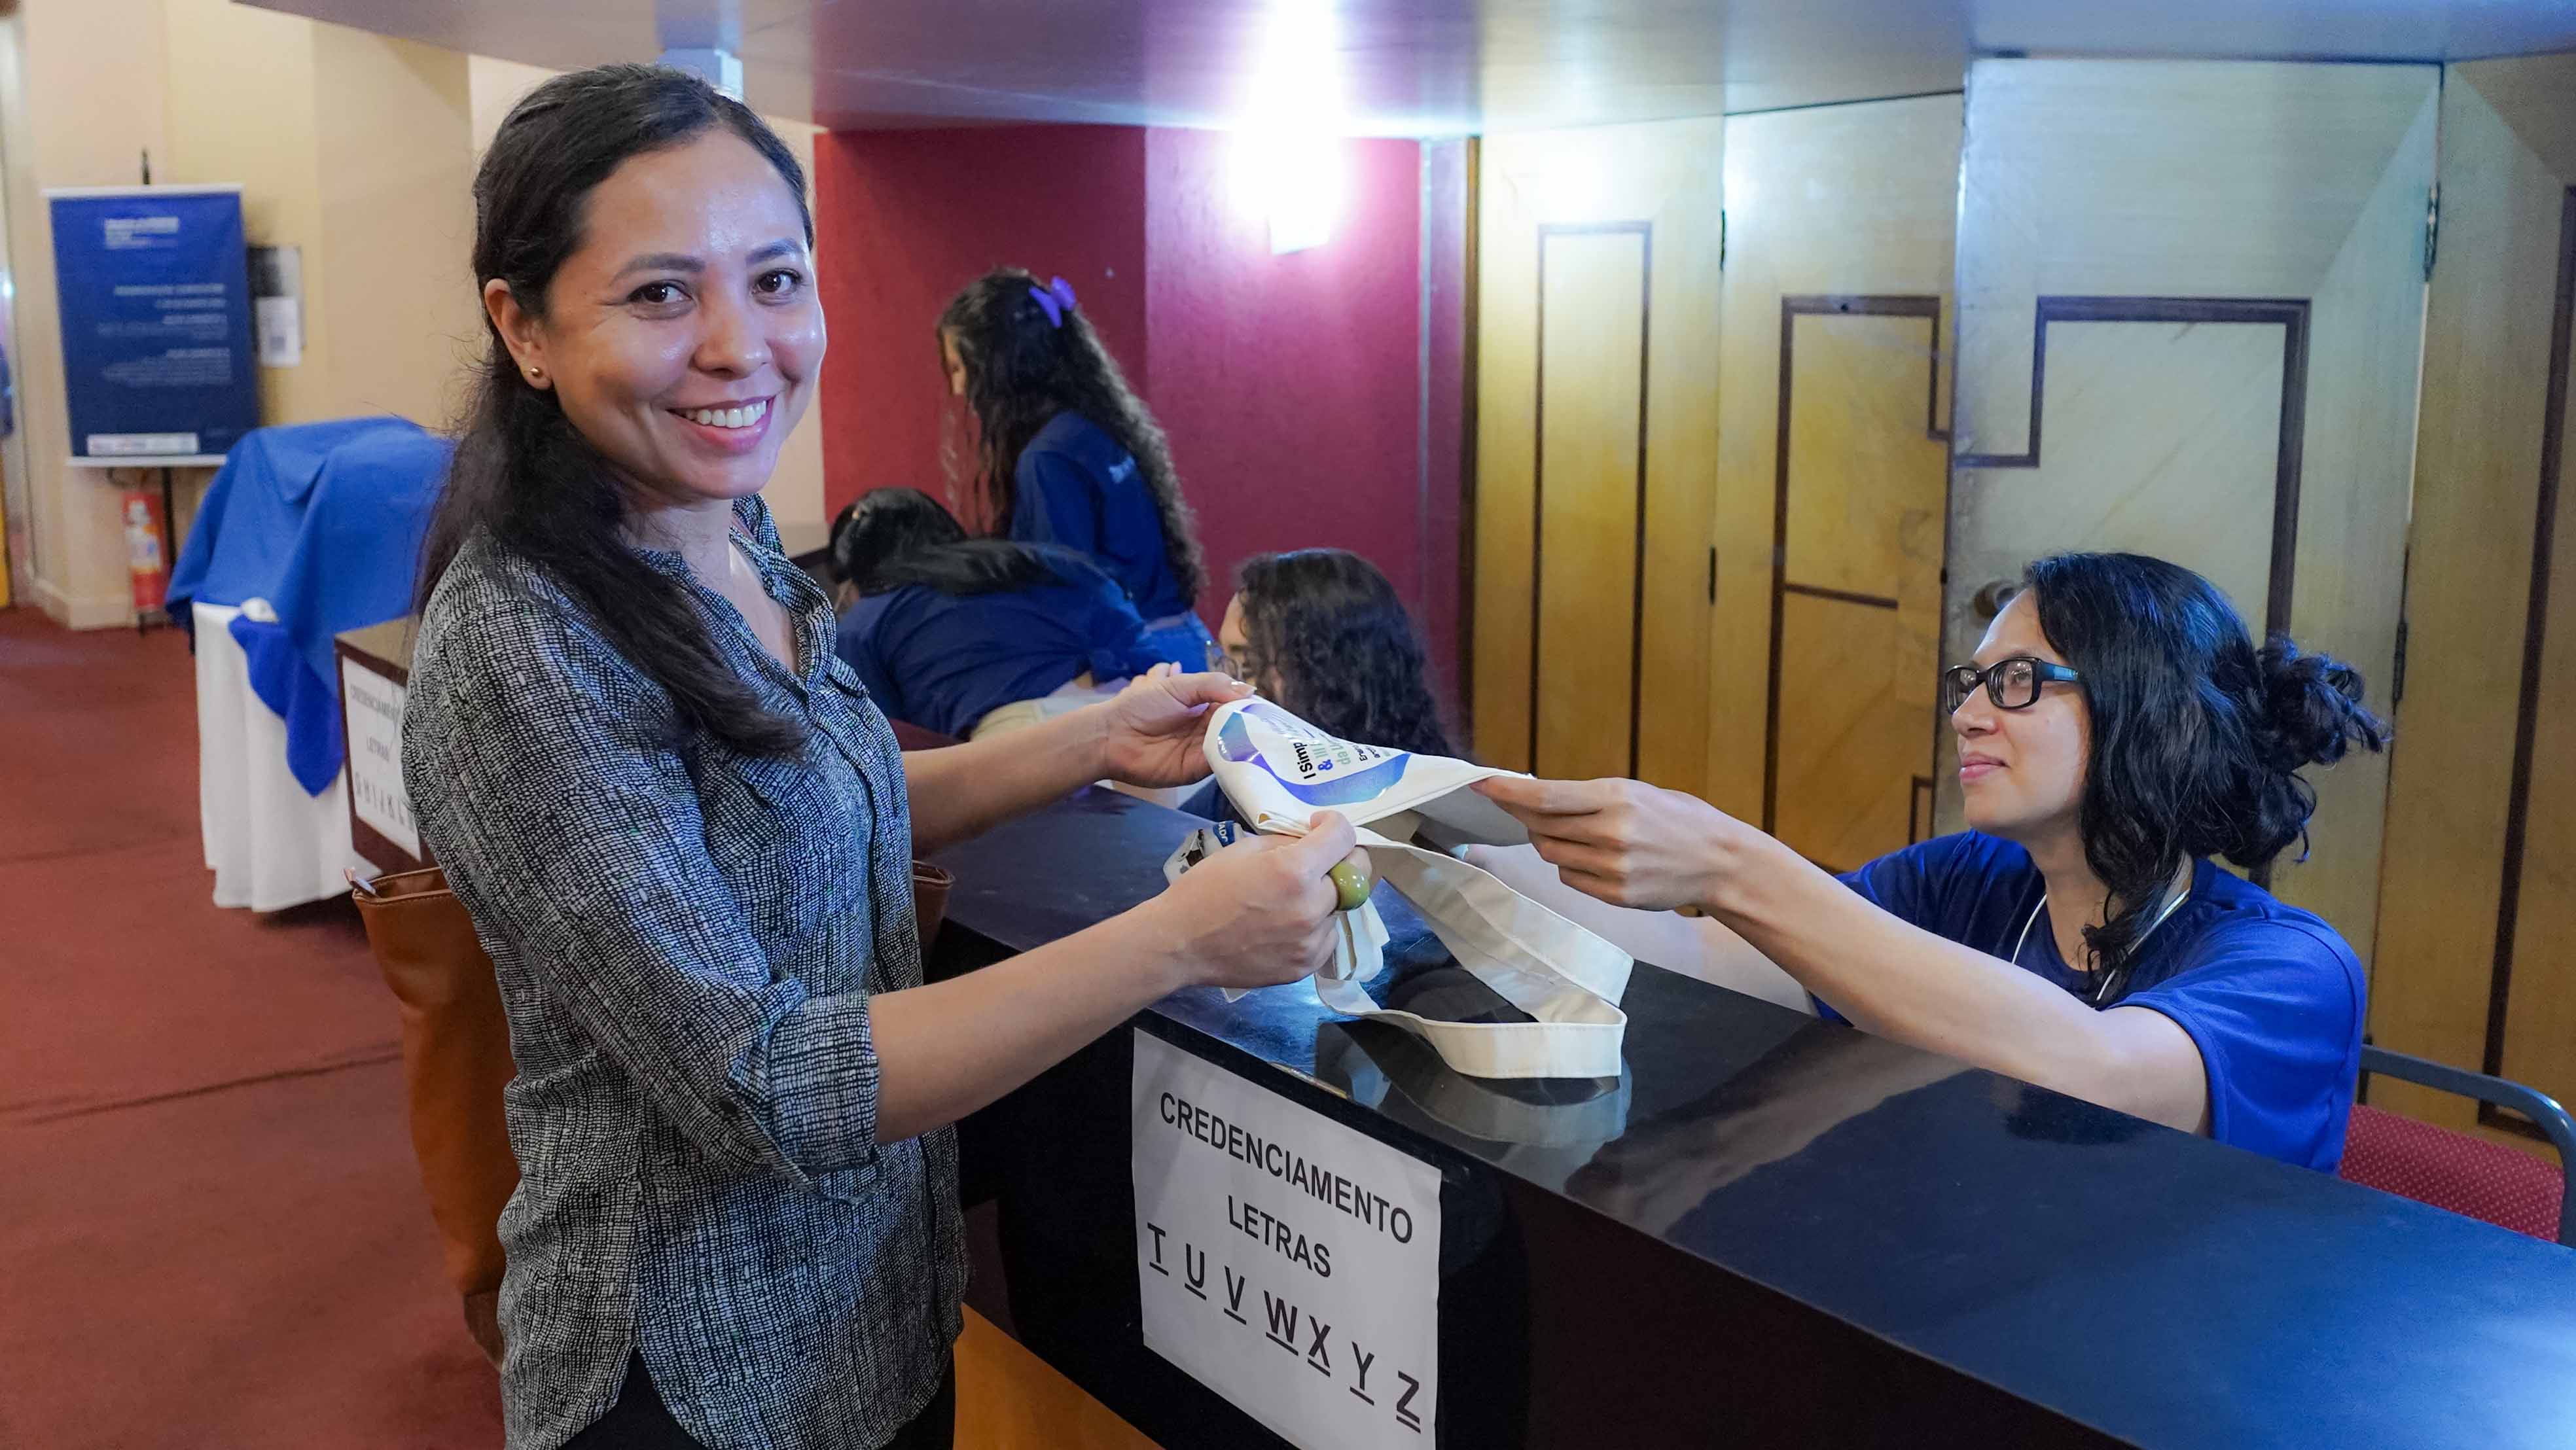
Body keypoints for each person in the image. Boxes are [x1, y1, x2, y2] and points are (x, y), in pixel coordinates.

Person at [401, 65, 1367, 1450]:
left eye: (778, 279)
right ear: (527, 327)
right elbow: (769, 1080)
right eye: (663, 294)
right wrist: (1180, 938)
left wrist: (1091, 735)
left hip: (876, 1317)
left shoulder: (730, 546)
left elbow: (815, 794)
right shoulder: (521, 647)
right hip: (697, 1374)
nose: (743, 344)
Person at [1474, 552, 2389, 1173]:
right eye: (1973, 682)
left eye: (2018, 682)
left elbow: (2097, 1076)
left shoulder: (2294, 971)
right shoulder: (1970, 880)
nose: (1969, 714)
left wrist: (1734, 865)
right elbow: (1729, 958)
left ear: (2147, 710)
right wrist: (1453, 834)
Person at [936, 268, 1215, 667]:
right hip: (1185, 640)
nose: (958, 389)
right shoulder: (1096, 426)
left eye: (960, 368)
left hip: (1146, 661)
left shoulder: (1048, 457)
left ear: (1001, 366)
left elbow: (1070, 595)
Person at [828, 487, 1187, 739]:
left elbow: (882, 745)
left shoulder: (865, 622)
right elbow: (1131, 634)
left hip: (1023, 735)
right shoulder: (1037, 559)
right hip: (1134, 703)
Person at [1180, 548, 1458, 824]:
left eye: (1251, 664)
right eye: (1223, 660)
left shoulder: (1433, 805)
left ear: (1332, 674)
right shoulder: (1239, 784)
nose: (1227, 687)